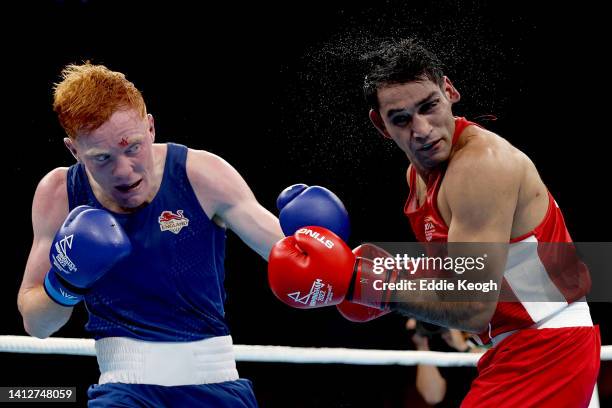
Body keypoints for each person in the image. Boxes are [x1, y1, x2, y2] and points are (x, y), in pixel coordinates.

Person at [267, 39, 601, 407]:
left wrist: (363, 282)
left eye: (429, 107)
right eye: (402, 119)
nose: (423, 129)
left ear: (449, 91)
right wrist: (394, 273)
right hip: (514, 348)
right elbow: (460, 272)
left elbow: (472, 307)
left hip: (548, 345)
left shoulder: (479, 166)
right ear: (381, 125)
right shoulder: (418, 176)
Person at [17, 63, 286, 407]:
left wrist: (361, 275)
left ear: (151, 127)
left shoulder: (200, 174)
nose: (123, 170)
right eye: (101, 158)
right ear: (74, 151)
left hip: (216, 385)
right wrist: (66, 283)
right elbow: (37, 325)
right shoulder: (59, 194)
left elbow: (291, 254)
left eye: (132, 148)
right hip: (123, 390)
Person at [406, 318, 481, 407]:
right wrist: (422, 347)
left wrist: (464, 347)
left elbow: (496, 362)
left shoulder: (489, 333)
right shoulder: (435, 344)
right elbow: (433, 397)